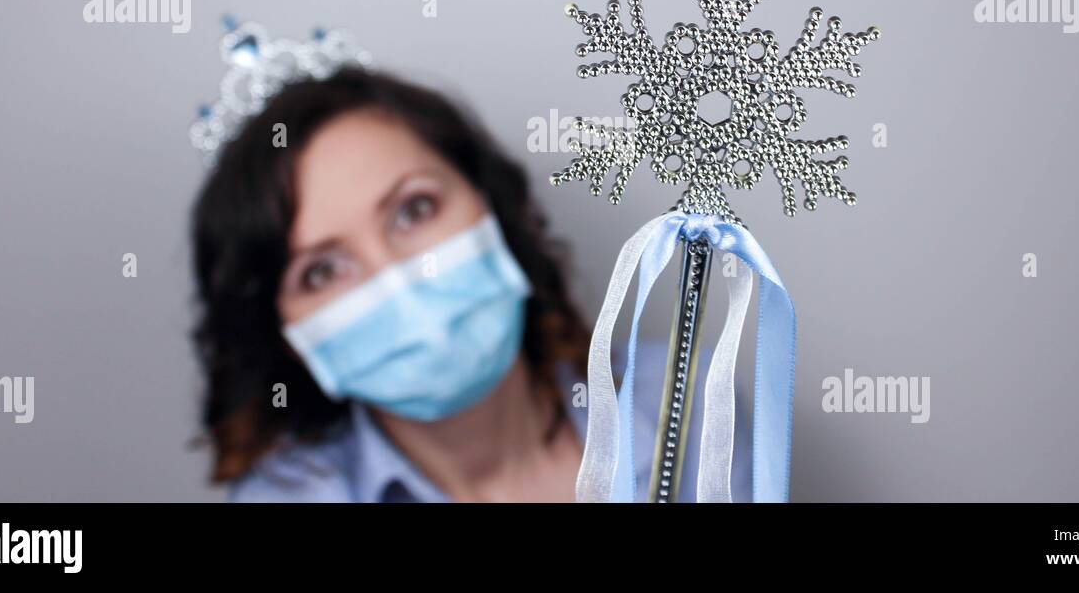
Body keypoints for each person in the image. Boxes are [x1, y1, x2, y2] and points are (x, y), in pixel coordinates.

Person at [189, 66, 751, 502]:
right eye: (321, 270)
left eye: (413, 210)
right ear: (286, 332)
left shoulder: (690, 402)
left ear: (492, 207)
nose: (398, 282)